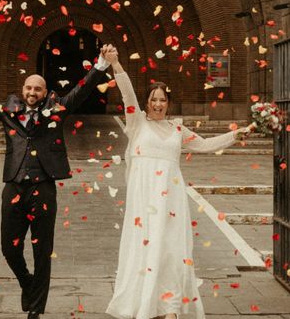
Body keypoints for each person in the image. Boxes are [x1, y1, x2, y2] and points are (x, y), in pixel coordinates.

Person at [0, 45, 111, 319]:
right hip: (14, 186)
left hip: (43, 187)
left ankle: (36, 310)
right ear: (23, 89)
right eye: (28, 88)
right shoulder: (8, 111)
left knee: (42, 251)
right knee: (9, 247)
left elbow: (81, 91)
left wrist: (100, 64)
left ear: (45, 92)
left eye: (38, 89)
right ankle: (28, 283)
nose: (32, 93)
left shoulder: (57, 110)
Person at [103, 48, 248, 319]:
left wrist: (235, 135)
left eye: (163, 100)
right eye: (153, 99)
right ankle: (146, 304)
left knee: (171, 248)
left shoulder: (178, 131)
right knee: (146, 245)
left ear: (168, 103)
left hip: (171, 198)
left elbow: (205, 145)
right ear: (146, 103)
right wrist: (116, 64)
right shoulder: (136, 124)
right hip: (144, 198)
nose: (158, 104)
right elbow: (127, 95)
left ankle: (169, 307)